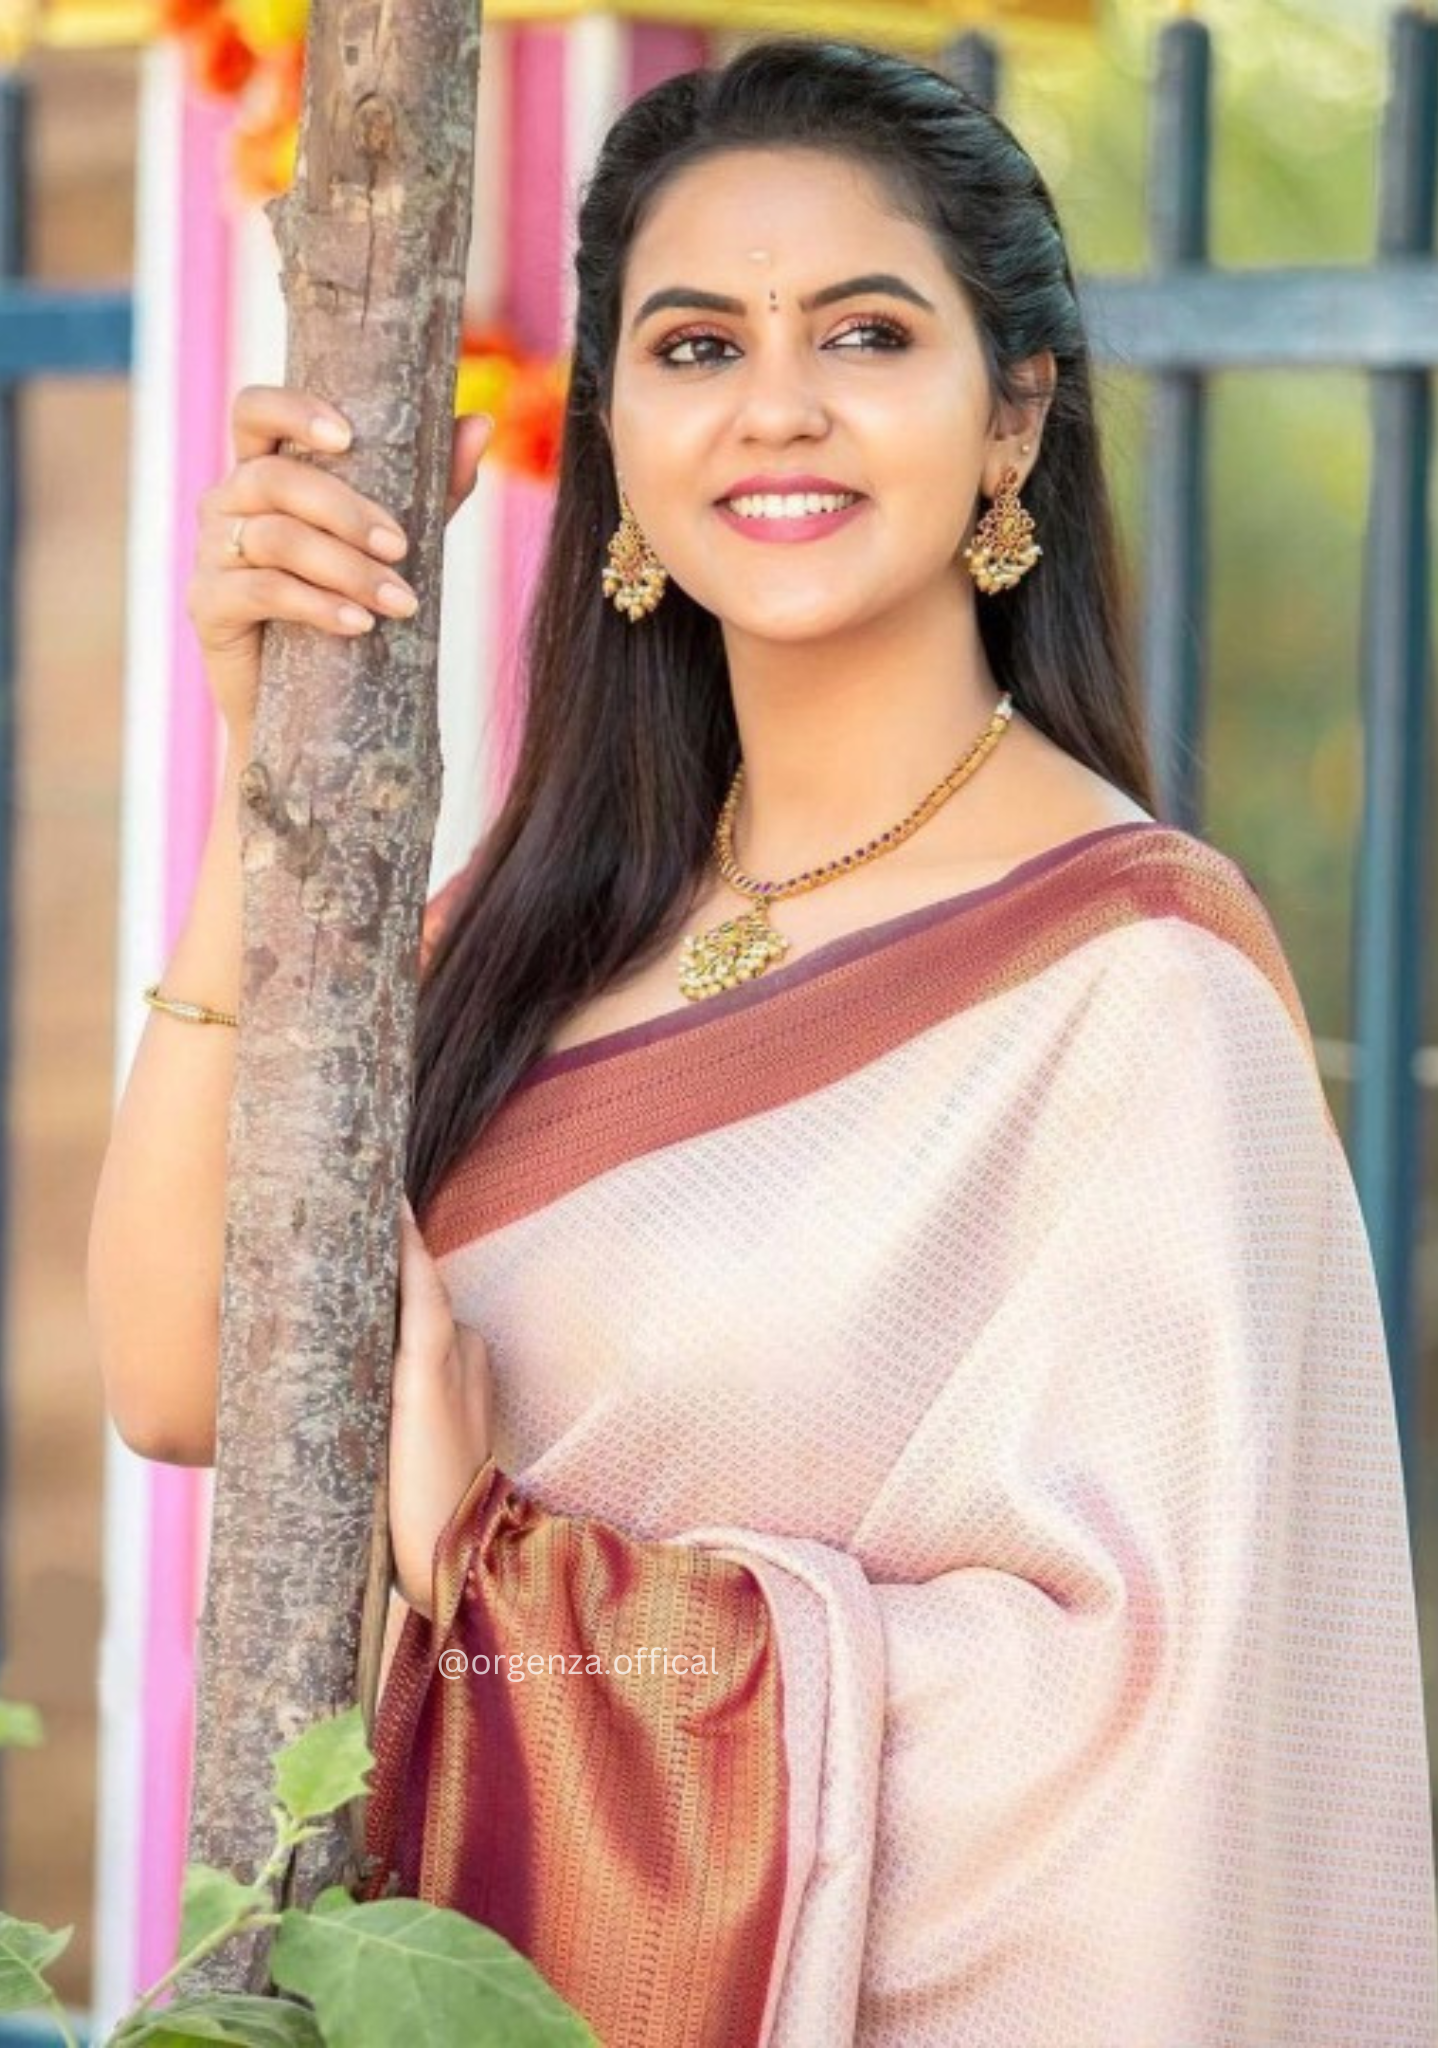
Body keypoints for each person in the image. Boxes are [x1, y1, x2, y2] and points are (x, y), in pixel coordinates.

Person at [88, 33, 1437, 2046]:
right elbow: (182, 1371)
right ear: (616, 427)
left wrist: (493, 1561)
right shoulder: (536, 930)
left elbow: (1156, 1753)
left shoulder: (1134, 989)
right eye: (697, 346)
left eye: (865, 334)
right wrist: (266, 740)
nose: (774, 405)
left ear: (1011, 414)